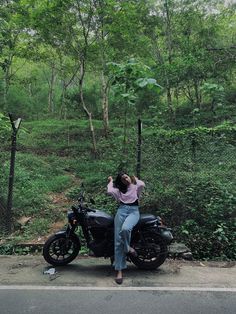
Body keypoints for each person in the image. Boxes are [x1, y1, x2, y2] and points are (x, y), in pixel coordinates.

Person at [107, 172, 145, 284]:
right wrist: (110, 181)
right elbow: (109, 191)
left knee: (125, 229)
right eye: (123, 179)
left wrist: (135, 179)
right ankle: (119, 271)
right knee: (118, 242)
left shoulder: (135, 187)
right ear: (121, 182)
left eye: (127, 177)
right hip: (121, 211)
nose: (126, 179)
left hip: (134, 212)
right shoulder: (119, 191)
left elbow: (142, 184)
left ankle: (128, 248)